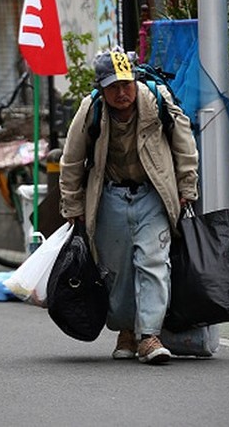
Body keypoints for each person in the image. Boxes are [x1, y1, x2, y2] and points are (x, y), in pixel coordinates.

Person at [59, 48, 199, 364]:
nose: (122, 93)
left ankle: (149, 335)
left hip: (153, 195)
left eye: (127, 84)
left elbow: (185, 146)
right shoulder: (90, 110)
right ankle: (125, 329)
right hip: (109, 196)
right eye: (113, 87)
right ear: (100, 88)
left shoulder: (158, 100)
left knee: (153, 261)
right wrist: (73, 207)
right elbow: (71, 161)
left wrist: (187, 187)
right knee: (116, 270)